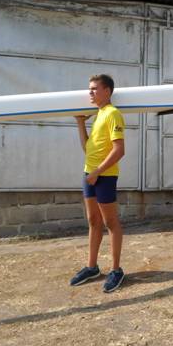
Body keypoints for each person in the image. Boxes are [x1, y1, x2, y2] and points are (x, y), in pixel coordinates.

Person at [70, 74, 126, 292]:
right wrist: (80, 123)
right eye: (89, 89)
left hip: (105, 176)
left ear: (107, 91)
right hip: (90, 174)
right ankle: (92, 267)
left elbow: (119, 150)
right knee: (93, 221)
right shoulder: (98, 115)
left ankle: (116, 270)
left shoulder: (113, 114)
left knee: (110, 222)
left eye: (94, 88)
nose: (90, 92)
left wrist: (97, 172)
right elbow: (88, 149)